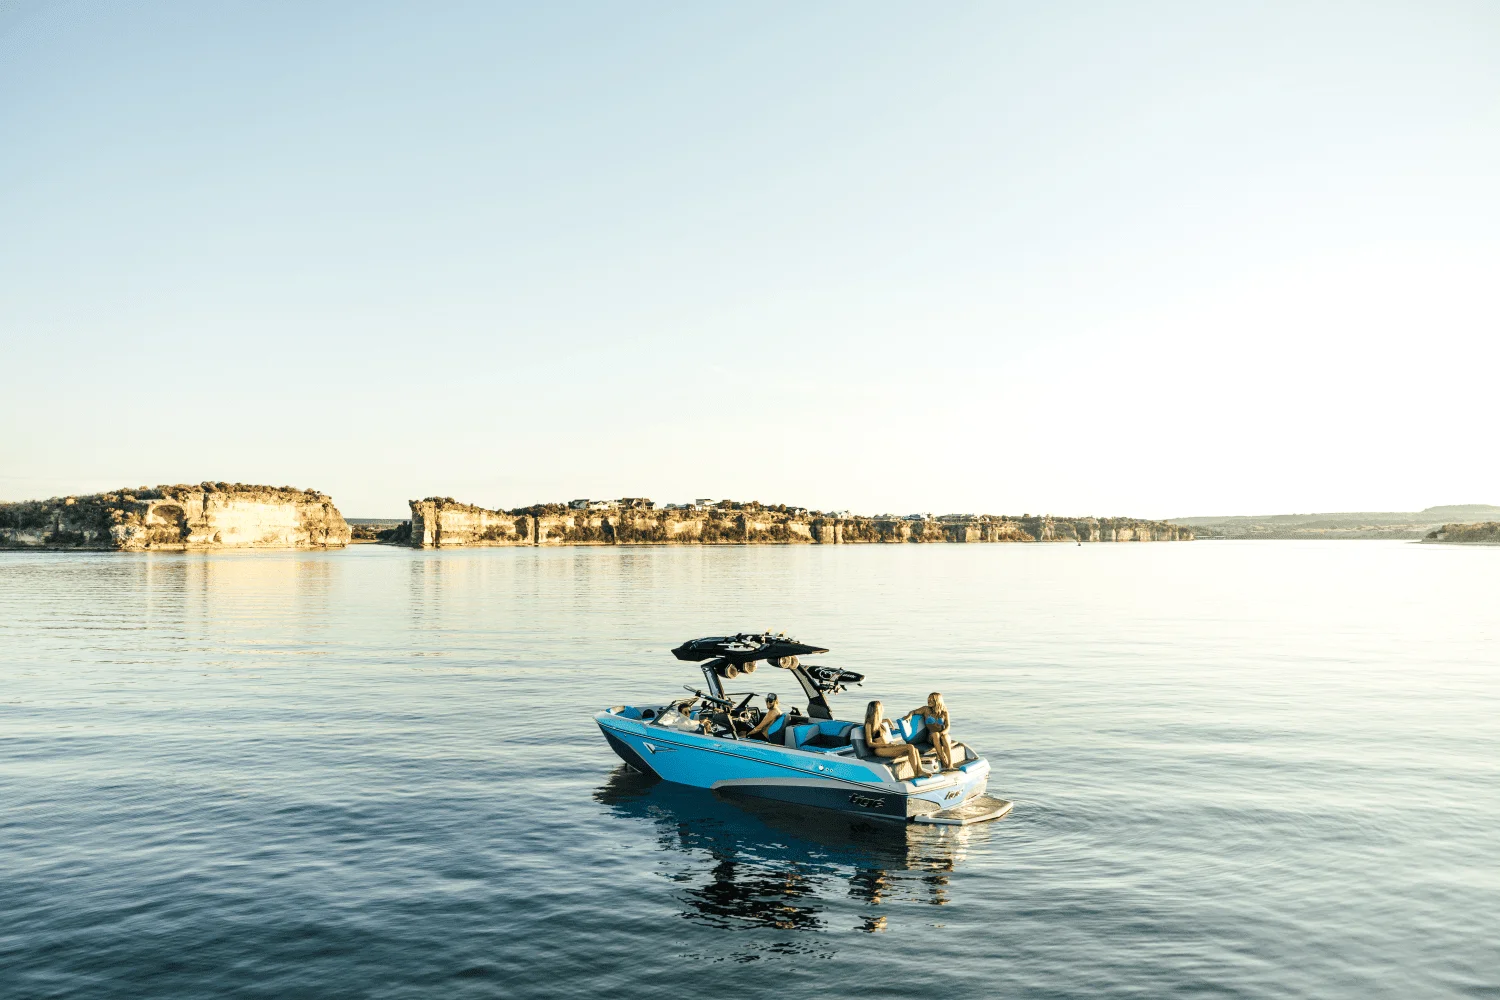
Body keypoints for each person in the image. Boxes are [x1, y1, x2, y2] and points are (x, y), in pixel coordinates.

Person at [863, 700, 925, 777]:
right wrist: (886, 745)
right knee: (910, 747)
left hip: (887, 747)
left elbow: (879, 721)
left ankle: (920, 770)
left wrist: (887, 720)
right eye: (881, 707)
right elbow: (870, 743)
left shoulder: (877, 722)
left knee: (915, 750)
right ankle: (916, 773)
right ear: (877, 710)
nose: (883, 708)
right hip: (880, 750)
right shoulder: (869, 724)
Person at [905, 692, 956, 771]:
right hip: (931, 737)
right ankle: (943, 759)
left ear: (937, 701)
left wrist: (942, 733)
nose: (929, 701)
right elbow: (913, 712)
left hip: (942, 735)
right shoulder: (925, 709)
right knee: (935, 734)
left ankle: (950, 764)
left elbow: (948, 726)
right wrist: (909, 716)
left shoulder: (944, 712)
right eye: (928, 699)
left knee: (945, 738)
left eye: (932, 699)